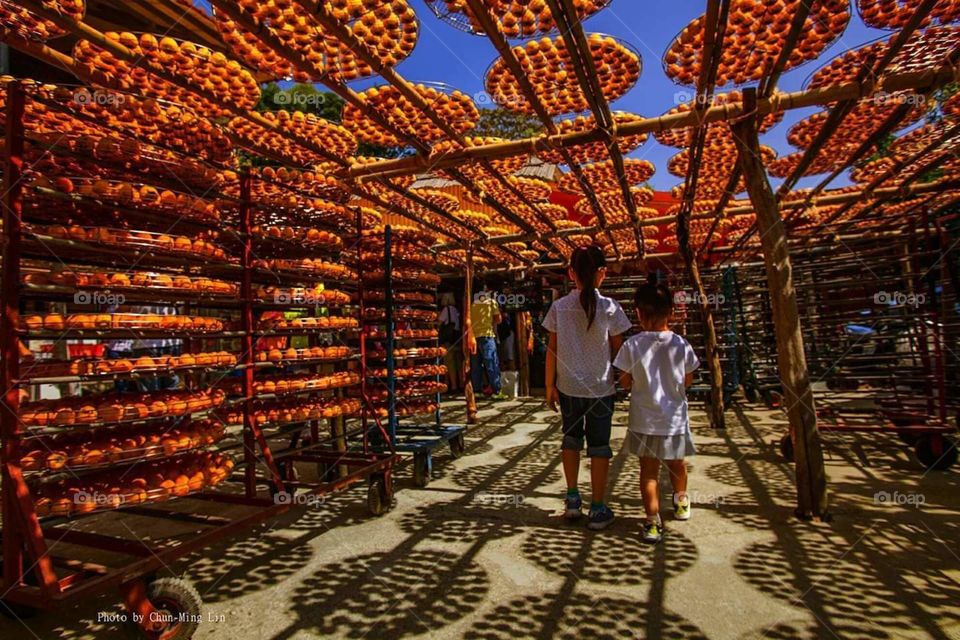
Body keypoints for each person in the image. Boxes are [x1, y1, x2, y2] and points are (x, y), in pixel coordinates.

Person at [543, 246, 631, 530]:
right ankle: (597, 507)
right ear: (602, 273)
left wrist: (549, 386)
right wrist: (625, 379)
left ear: (571, 273)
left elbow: (551, 350)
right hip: (601, 389)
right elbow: (621, 349)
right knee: (599, 446)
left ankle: (571, 499)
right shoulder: (610, 307)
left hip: (568, 387)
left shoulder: (559, 307)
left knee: (570, 440)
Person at [613, 275, 699, 544]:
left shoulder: (632, 345)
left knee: (649, 472)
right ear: (671, 313)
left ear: (638, 313)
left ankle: (652, 522)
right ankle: (681, 501)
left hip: (644, 422)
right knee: (678, 465)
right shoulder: (680, 344)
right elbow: (688, 379)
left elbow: (624, 381)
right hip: (674, 420)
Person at [470, 284, 503, 398]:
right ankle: (496, 390)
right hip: (487, 335)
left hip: (474, 337)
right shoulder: (491, 302)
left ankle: (477, 390)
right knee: (491, 363)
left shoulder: (473, 304)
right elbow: (498, 319)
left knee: (476, 365)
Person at [438, 293, 463, 394]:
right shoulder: (455, 310)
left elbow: (440, 322)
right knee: (458, 362)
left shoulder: (446, 309)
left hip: (448, 339)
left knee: (449, 363)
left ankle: (453, 386)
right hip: (456, 337)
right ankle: (461, 383)